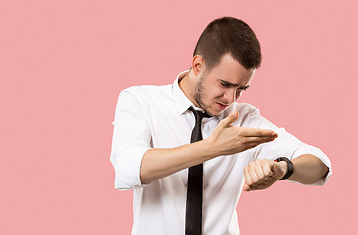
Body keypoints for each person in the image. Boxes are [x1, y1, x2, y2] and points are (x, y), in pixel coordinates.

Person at [110, 16, 332, 235]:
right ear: (198, 65)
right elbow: (129, 167)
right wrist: (213, 147)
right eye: (225, 84)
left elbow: (319, 164)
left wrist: (282, 169)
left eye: (241, 89)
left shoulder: (241, 119)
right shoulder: (141, 101)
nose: (230, 97)